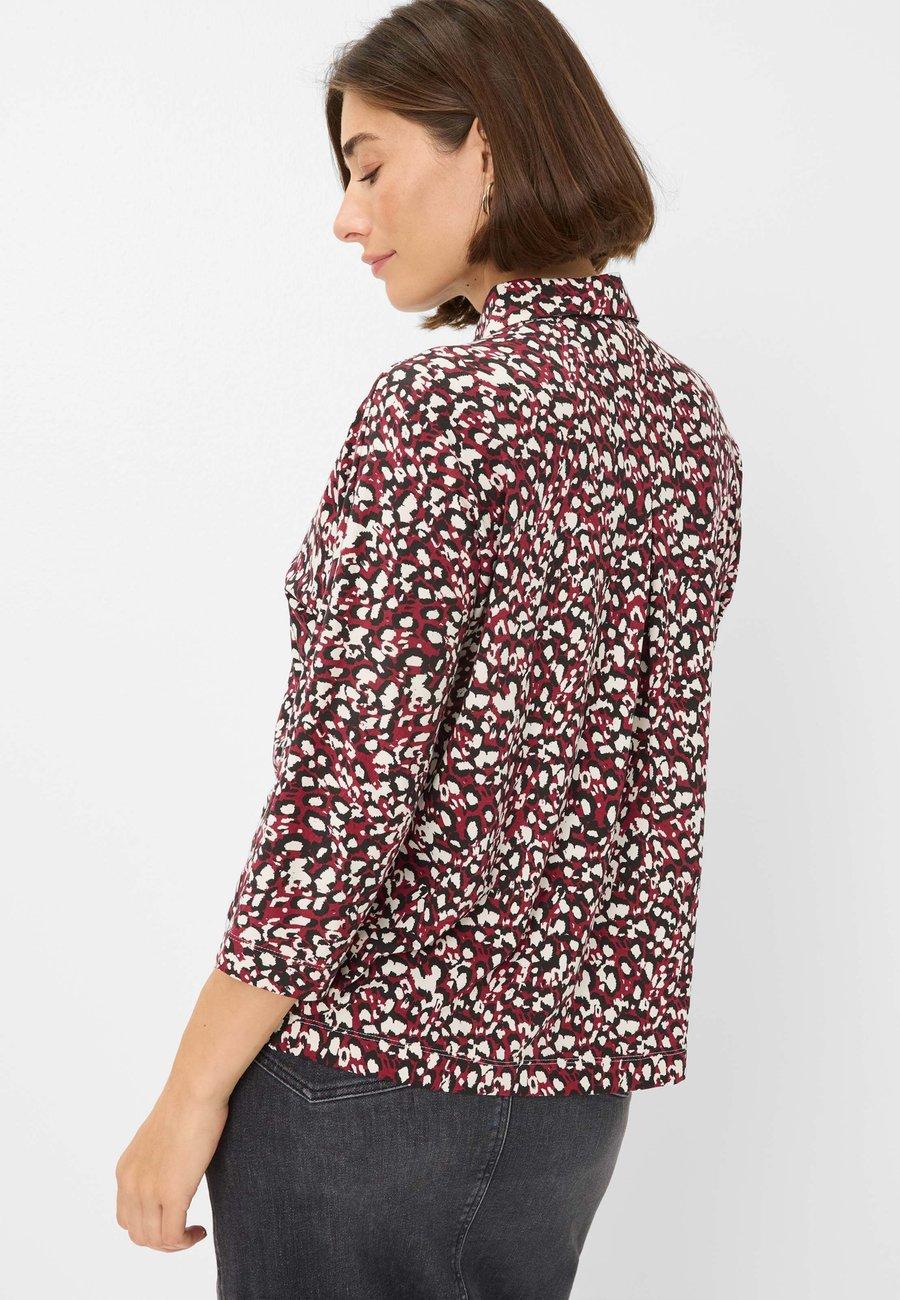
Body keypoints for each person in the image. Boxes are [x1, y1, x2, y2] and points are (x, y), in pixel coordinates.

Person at [115, 1, 742, 1295]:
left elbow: (343, 798)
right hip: (572, 1098)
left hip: (369, 1085)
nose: (348, 217)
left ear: (489, 148)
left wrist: (188, 1094)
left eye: (370, 165)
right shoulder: (686, 423)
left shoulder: (443, 408)